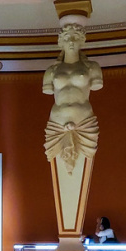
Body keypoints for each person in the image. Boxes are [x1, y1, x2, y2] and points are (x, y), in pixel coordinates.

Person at [43, 23, 103, 174]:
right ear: (60, 42)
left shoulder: (92, 68)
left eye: (75, 37)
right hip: (57, 124)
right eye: (67, 38)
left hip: (84, 122)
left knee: (82, 166)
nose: (71, 41)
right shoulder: (51, 72)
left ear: (82, 41)